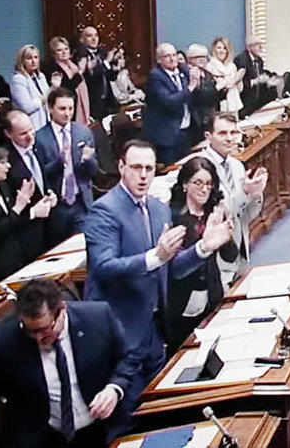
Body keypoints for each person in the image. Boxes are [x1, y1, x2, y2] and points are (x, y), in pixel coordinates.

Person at [82, 139, 233, 418]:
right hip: (122, 329)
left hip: (157, 327)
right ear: (121, 167)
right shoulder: (104, 211)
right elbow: (104, 267)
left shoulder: (158, 209)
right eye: (136, 167)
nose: (143, 175)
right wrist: (156, 256)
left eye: (149, 168)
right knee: (127, 417)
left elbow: (170, 268)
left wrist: (203, 247)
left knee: (158, 409)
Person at [0, 278, 139, 447]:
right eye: (30, 331)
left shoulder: (97, 317)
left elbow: (129, 357)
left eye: (44, 329)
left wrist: (114, 389)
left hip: (102, 430)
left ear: (62, 311)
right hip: (45, 438)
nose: (38, 338)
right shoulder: (3, 341)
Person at [166, 157, 237, 348]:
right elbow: (176, 269)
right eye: (198, 183)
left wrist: (226, 234)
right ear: (184, 185)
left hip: (213, 295)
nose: (204, 189)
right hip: (184, 303)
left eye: (208, 183)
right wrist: (205, 244)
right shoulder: (175, 219)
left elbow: (230, 256)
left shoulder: (212, 214)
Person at [0, 145, 56, 290]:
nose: (8, 166)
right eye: (3, 163)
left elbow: (14, 221)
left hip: (16, 258)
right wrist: (19, 206)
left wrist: (34, 210)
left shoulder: (3, 186)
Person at [199, 112, 267, 284]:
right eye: (222, 133)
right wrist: (244, 192)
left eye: (233, 133)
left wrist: (256, 193)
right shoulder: (201, 168)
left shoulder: (236, 166)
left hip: (240, 249)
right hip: (216, 255)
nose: (229, 138)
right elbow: (217, 213)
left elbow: (246, 215)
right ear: (208, 136)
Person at [35, 88, 97, 247]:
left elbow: (93, 171)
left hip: (80, 202)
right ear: (50, 108)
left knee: (84, 250)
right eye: (62, 108)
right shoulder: (40, 138)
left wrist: (88, 160)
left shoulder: (83, 132)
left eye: (70, 108)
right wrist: (59, 161)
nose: (67, 113)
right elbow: (40, 176)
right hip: (57, 207)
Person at [2, 110, 49, 261]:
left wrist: (50, 194)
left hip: (48, 225)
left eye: (31, 129)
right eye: (23, 133)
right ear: (8, 134)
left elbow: (43, 177)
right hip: (25, 234)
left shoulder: (38, 145)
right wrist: (33, 211)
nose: (30, 136)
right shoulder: (5, 164)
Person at [142, 42, 199, 165]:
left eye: (174, 54)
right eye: (167, 56)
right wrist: (191, 87)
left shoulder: (182, 70)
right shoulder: (155, 76)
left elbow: (195, 94)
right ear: (159, 60)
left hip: (186, 130)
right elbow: (169, 101)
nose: (172, 58)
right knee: (170, 171)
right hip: (167, 134)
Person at [43, 37, 91, 126]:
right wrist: (79, 73)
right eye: (59, 50)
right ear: (54, 54)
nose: (64, 52)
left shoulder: (73, 64)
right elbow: (66, 89)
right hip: (65, 108)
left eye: (66, 49)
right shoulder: (52, 68)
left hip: (77, 106)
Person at [73, 27, 118, 121]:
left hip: (107, 100)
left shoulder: (102, 52)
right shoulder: (80, 55)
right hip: (92, 101)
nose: (94, 39)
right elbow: (91, 76)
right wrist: (106, 62)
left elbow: (111, 77)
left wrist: (116, 67)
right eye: (89, 36)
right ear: (82, 39)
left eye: (96, 35)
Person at [185, 44, 223, 145]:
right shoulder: (187, 74)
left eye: (204, 57)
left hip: (211, 116)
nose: (202, 60)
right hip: (197, 121)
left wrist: (223, 89)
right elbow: (199, 96)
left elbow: (216, 97)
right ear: (190, 59)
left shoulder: (208, 73)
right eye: (198, 57)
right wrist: (218, 88)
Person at [234, 36, 279, 117]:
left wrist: (268, 81)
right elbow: (237, 83)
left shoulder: (259, 60)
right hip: (244, 104)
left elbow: (260, 79)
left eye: (261, 44)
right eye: (257, 44)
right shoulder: (240, 60)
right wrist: (255, 81)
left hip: (256, 103)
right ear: (249, 47)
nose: (261, 47)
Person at [10, 45, 50, 131]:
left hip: (46, 123)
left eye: (36, 57)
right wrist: (42, 99)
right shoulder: (18, 79)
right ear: (22, 61)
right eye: (29, 58)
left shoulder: (40, 76)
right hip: (31, 126)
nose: (33, 61)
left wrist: (54, 87)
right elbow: (27, 107)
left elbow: (49, 97)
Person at [206, 36, 244, 115]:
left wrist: (239, 79)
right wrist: (228, 82)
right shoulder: (210, 67)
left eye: (224, 48)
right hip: (218, 106)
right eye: (219, 48)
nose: (222, 51)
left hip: (233, 106)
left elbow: (239, 89)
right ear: (214, 50)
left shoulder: (232, 66)